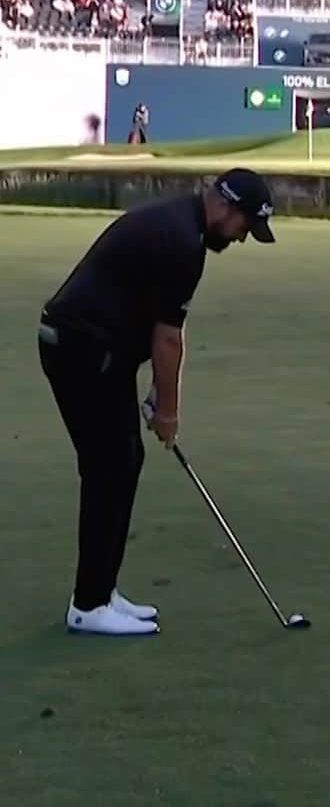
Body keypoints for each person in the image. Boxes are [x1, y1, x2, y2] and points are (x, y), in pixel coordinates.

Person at [37, 169, 275, 637]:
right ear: (225, 207)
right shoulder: (183, 242)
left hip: (95, 350)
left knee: (123, 461)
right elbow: (168, 340)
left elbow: (148, 319)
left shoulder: (183, 225)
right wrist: (168, 411)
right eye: (246, 225)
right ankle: (88, 604)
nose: (244, 237)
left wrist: (154, 391)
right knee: (110, 466)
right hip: (80, 351)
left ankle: (101, 591)